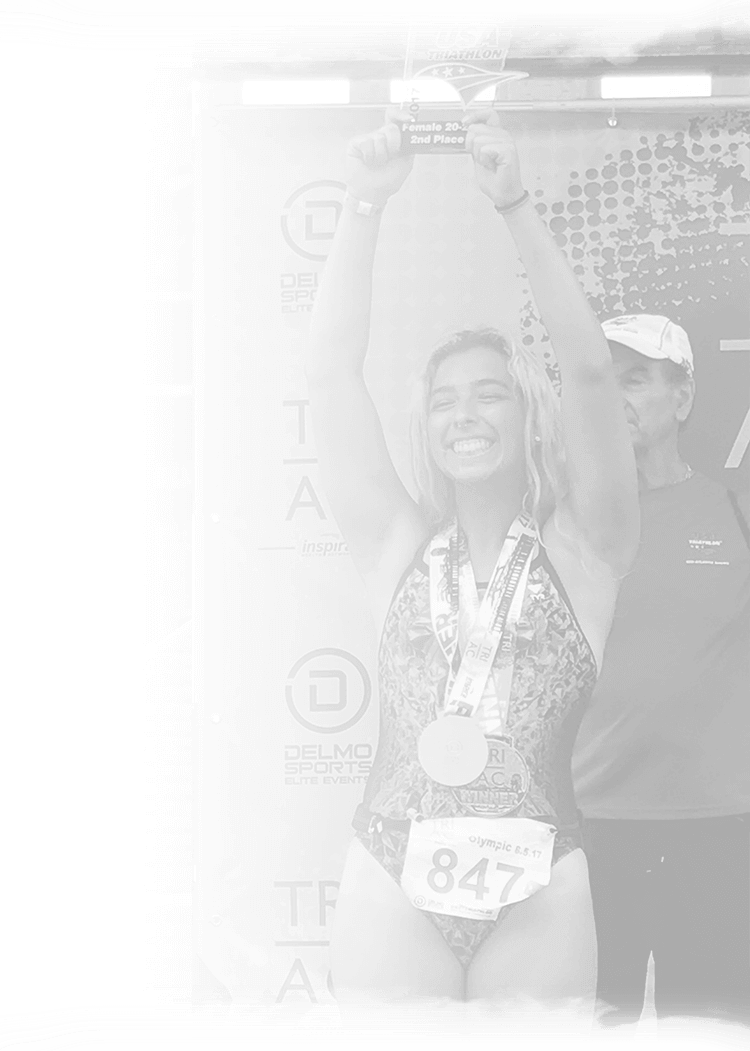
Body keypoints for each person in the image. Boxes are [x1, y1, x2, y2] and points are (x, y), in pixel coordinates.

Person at [305, 108, 639, 1010]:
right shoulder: (398, 546)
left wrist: (516, 204)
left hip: (540, 882)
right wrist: (363, 208)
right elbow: (330, 375)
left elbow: (593, 373)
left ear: (530, 414)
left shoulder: (587, 549)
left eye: (491, 395)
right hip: (392, 870)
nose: (465, 413)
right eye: (445, 400)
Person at [572, 314, 750, 1031]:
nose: (623, 396)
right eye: (611, 379)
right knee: (588, 1028)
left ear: (682, 400)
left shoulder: (732, 510)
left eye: (643, 379)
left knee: (712, 1030)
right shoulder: (563, 521)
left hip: (719, 829)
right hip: (589, 832)